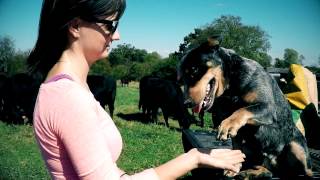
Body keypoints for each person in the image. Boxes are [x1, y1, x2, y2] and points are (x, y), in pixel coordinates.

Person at [28, 0, 246, 179]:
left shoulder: (71, 86)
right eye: (110, 25)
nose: (116, 35)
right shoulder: (68, 96)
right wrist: (194, 158)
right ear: (75, 27)